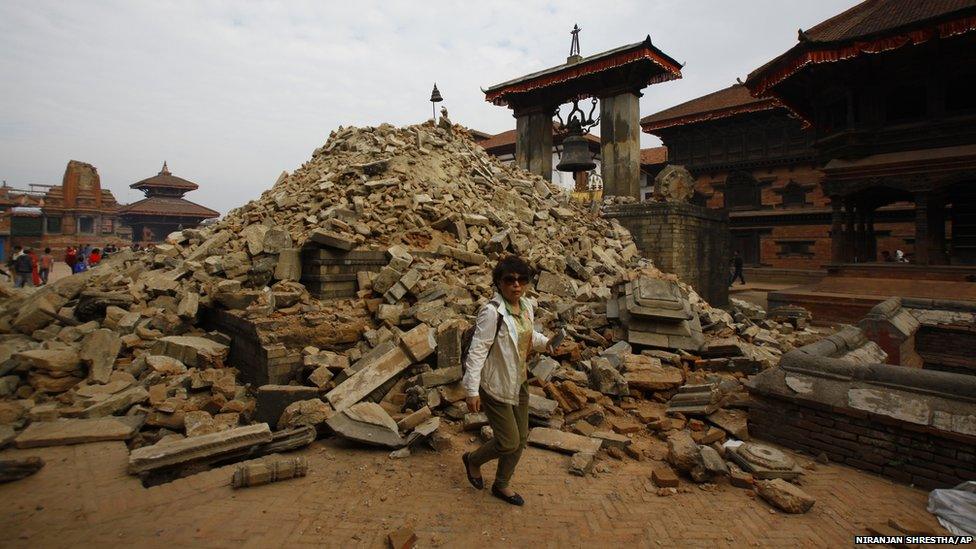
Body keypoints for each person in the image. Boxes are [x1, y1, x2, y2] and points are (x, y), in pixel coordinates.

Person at [461, 255, 553, 506]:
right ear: (499, 283)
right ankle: (473, 460)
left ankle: (501, 484)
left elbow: (526, 335)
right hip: (495, 385)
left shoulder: (527, 306)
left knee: (521, 438)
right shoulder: (491, 313)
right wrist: (471, 391)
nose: (517, 285)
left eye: (522, 280)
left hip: (519, 381)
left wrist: (546, 343)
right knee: (508, 441)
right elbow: (477, 351)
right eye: (510, 280)